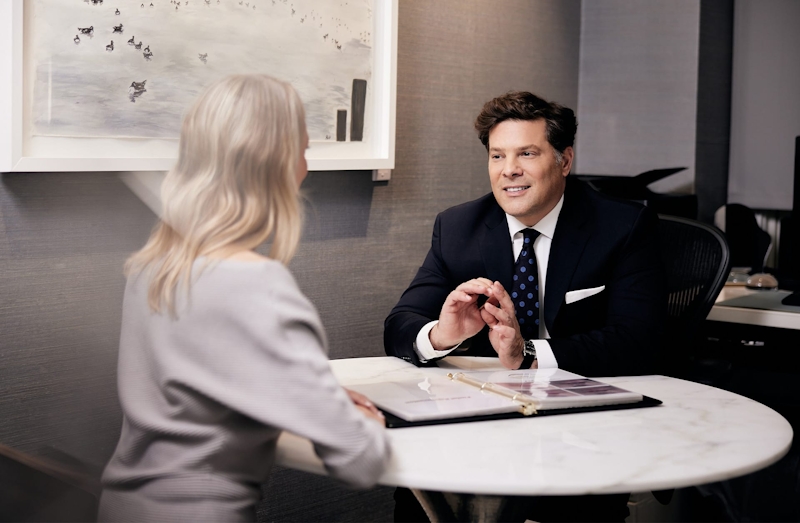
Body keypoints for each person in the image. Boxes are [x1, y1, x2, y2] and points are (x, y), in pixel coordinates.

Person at [98, 75, 390, 522]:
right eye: (303, 151)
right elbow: (359, 459)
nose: (306, 168)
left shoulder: (152, 265)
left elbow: (201, 392)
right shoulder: (257, 284)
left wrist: (315, 396)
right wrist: (363, 422)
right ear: (276, 165)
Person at [384, 91, 665, 522]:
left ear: (564, 161)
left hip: (582, 427)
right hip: (483, 419)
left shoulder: (622, 227)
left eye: (527, 154)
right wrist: (442, 335)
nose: (509, 170)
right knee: (419, 491)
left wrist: (527, 355)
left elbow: (638, 340)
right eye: (498, 156)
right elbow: (399, 326)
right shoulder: (458, 226)